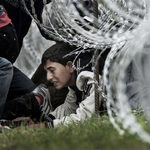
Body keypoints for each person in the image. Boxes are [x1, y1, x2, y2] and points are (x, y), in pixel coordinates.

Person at [0, 42, 108, 129]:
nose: (48, 77)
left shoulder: (88, 77)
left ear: (70, 66)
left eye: (52, 70)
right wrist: (44, 121)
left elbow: (84, 117)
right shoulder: (74, 83)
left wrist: (43, 127)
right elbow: (68, 107)